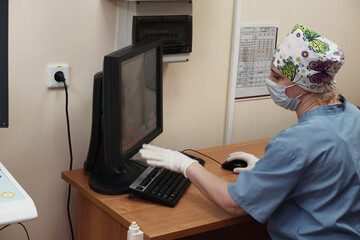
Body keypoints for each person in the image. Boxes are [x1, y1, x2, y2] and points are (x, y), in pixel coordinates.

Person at [139, 24, 360, 239]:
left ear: (305, 85)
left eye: (277, 77)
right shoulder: (352, 115)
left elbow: (233, 204)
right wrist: (269, 169)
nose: (270, 82)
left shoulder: (295, 143)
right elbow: (329, 174)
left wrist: (186, 165)